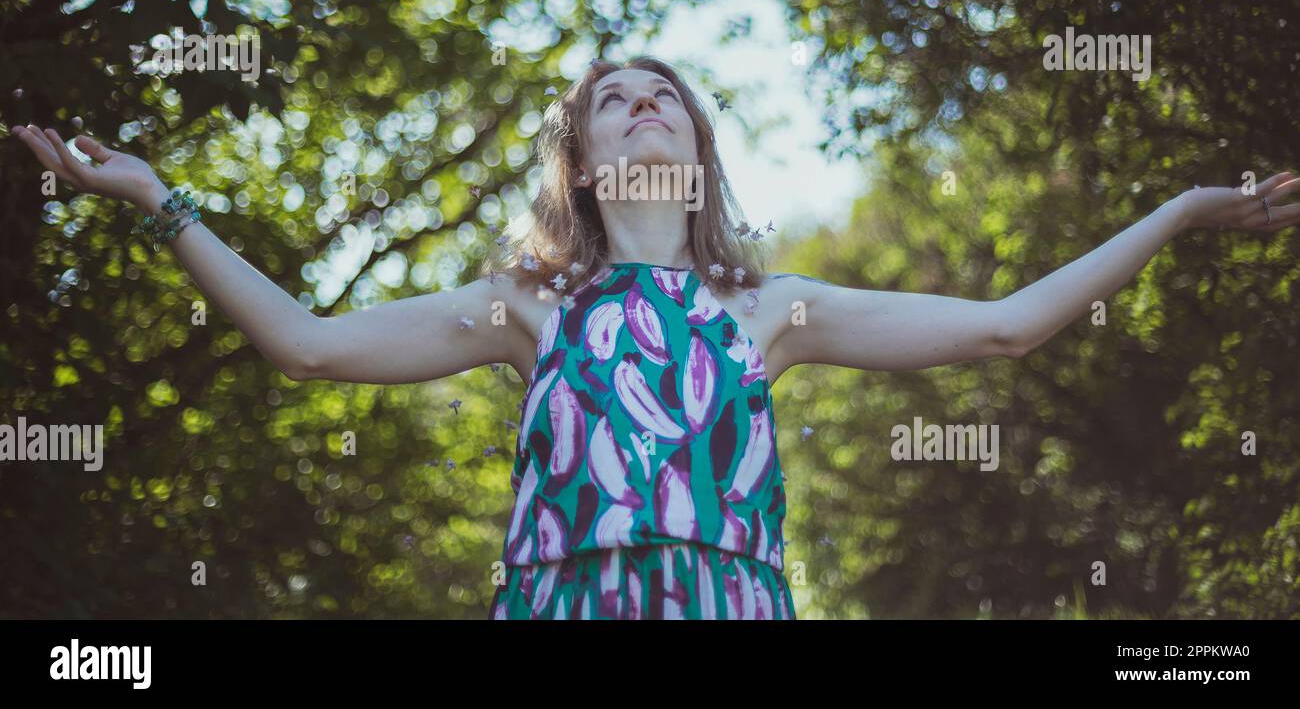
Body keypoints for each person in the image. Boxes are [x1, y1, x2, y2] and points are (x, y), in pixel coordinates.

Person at [12, 56, 1298, 619]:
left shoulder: (767, 309)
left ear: (693, 156)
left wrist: (1179, 211)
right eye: (610, 102)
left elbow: (1011, 327)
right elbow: (305, 343)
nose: (636, 110)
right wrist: (153, 197)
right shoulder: (528, 310)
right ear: (583, 163)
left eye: (660, 100)